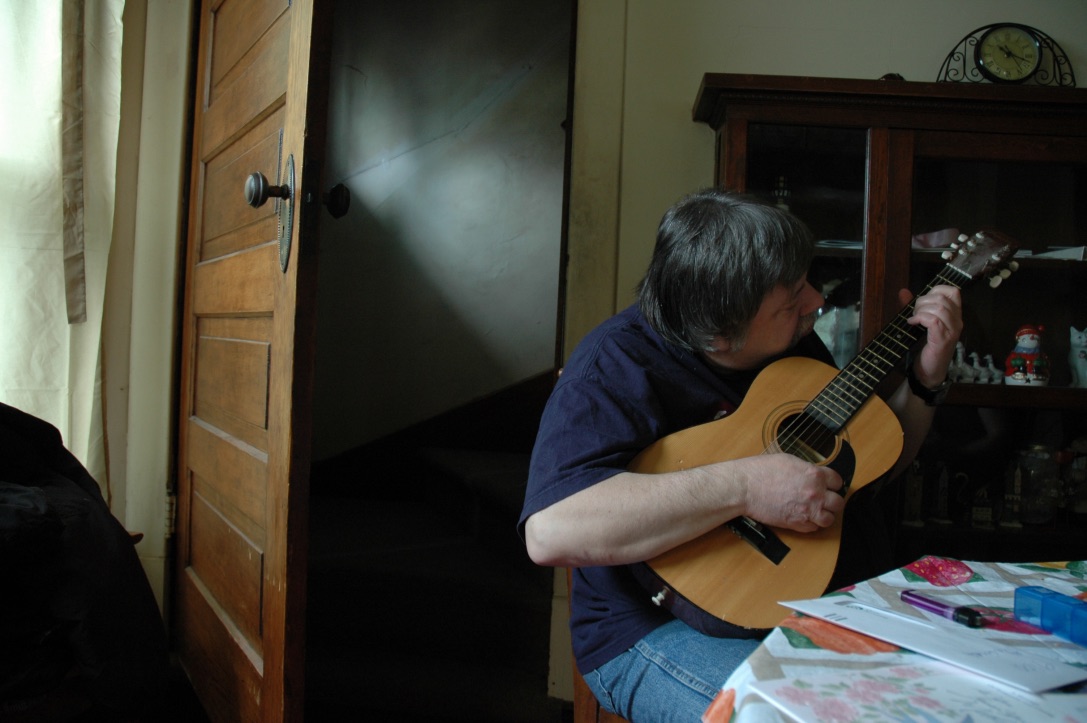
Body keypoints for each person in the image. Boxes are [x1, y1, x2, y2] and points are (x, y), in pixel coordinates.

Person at [518, 189, 963, 721]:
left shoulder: (791, 347)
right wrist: (747, 487)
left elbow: (870, 462)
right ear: (720, 335)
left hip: (816, 604)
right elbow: (550, 532)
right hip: (651, 629)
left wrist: (925, 379)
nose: (816, 301)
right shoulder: (612, 366)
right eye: (791, 297)